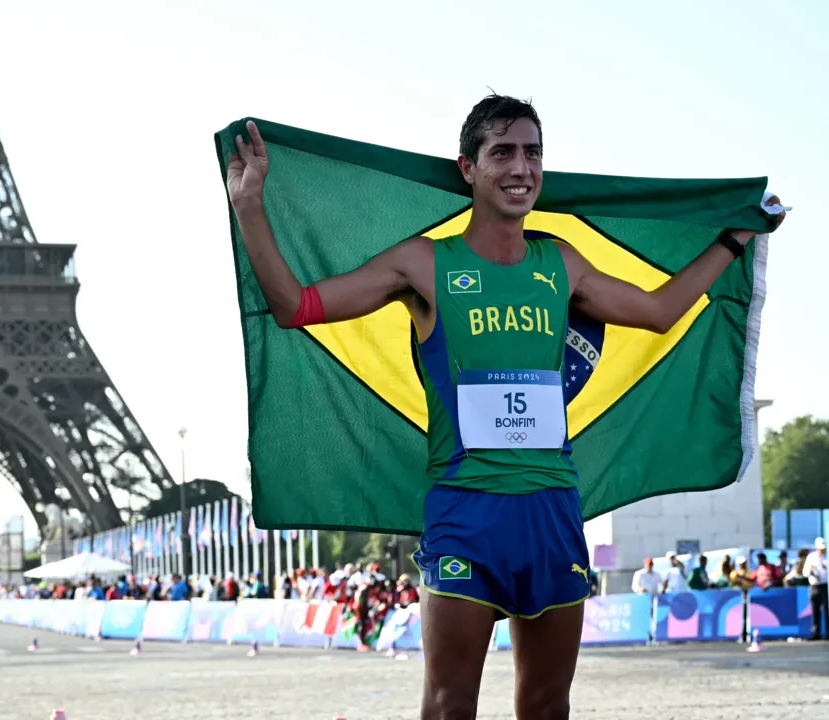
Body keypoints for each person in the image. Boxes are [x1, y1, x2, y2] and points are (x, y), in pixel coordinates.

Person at [225, 93, 786, 719]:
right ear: (467, 167)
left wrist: (734, 240)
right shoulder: (424, 264)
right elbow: (295, 307)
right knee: (448, 703)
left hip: (552, 511)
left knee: (547, 705)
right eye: (503, 152)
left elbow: (658, 312)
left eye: (533, 153)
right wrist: (250, 207)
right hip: (467, 512)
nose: (521, 167)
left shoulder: (560, 262)